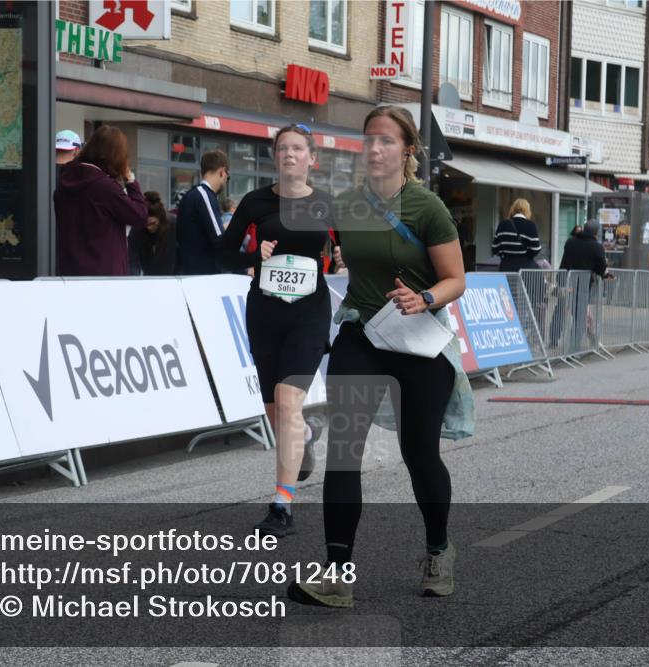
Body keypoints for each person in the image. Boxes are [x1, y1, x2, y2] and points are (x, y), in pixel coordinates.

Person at [288, 106, 467, 608]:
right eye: (368, 139)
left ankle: (438, 550)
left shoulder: (428, 208)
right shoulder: (346, 204)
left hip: (416, 340)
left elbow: (456, 279)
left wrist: (425, 298)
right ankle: (338, 575)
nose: (373, 148)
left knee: (419, 453)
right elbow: (340, 257)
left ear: (407, 150)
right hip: (362, 335)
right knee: (344, 452)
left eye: (385, 140)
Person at [218, 124, 331, 537]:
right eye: (282, 148)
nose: (289, 154)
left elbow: (342, 255)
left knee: (287, 401)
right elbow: (223, 251)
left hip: (309, 314)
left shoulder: (325, 204)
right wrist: (253, 253)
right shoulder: (255, 202)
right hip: (265, 313)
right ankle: (306, 434)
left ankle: (281, 504)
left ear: (310, 158)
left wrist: (340, 257)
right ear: (275, 156)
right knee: (276, 410)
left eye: (297, 149)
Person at [54, 126, 147, 276]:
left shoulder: (64, 182)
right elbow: (140, 216)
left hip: (70, 272)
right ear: (116, 156)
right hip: (105, 275)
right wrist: (131, 181)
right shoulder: (105, 187)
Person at [552, 219, 610, 351]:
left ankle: (553, 338)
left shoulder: (570, 241)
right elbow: (600, 267)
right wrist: (605, 274)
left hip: (565, 282)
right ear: (596, 232)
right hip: (582, 286)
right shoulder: (596, 246)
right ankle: (574, 347)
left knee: (560, 310)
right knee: (579, 317)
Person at [176, 149, 229, 275]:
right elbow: (219, 240)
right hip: (204, 274)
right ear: (221, 172)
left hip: (190, 272)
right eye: (228, 177)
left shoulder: (192, 195)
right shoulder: (205, 196)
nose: (226, 181)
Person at [128, 191, 176, 276]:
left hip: (173, 277)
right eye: (145, 224)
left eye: (152, 223)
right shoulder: (137, 228)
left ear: (160, 219)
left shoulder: (174, 225)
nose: (148, 227)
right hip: (148, 277)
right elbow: (133, 261)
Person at [491, 198, 542, 272]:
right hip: (525, 270)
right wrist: (526, 255)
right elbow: (536, 249)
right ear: (527, 211)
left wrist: (506, 254)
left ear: (513, 209)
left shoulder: (503, 224)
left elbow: (495, 248)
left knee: (508, 284)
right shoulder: (530, 225)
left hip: (506, 267)